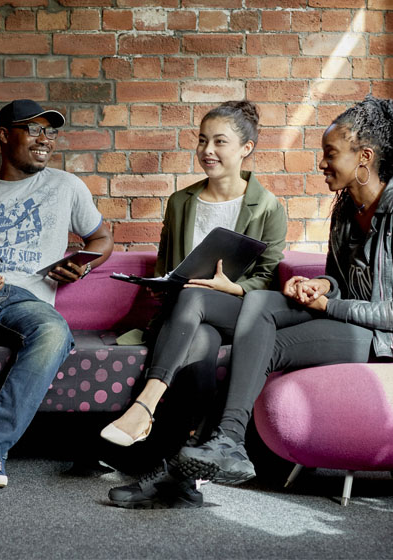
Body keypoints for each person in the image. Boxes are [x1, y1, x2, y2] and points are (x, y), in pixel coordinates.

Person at [172, 95, 393, 488]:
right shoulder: (346, 211)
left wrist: (332, 305)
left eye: (330, 154)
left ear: (364, 157)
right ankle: (226, 441)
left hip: (392, 342)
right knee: (262, 303)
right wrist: (320, 285)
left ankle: (222, 439)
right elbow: (339, 279)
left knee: (270, 344)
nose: (321, 163)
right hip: (354, 321)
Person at [103, 101, 287, 508]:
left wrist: (231, 287)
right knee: (199, 343)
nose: (208, 150)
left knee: (196, 298)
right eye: (202, 140)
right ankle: (185, 475)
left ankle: (144, 408)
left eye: (220, 142)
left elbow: (268, 277)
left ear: (246, 148)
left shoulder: (269, 207)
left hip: (240, 313)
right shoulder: (181, 200)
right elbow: (170, 266)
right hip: (190, 315)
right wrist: (159, 285)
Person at [0, 99, 114, 494]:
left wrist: (83, 265)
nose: (45, 139)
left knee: (55, 333)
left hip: (30, 297)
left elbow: (102, 239)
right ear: (3, 135)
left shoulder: (67, 186)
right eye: (33, 129)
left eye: (49, 131)